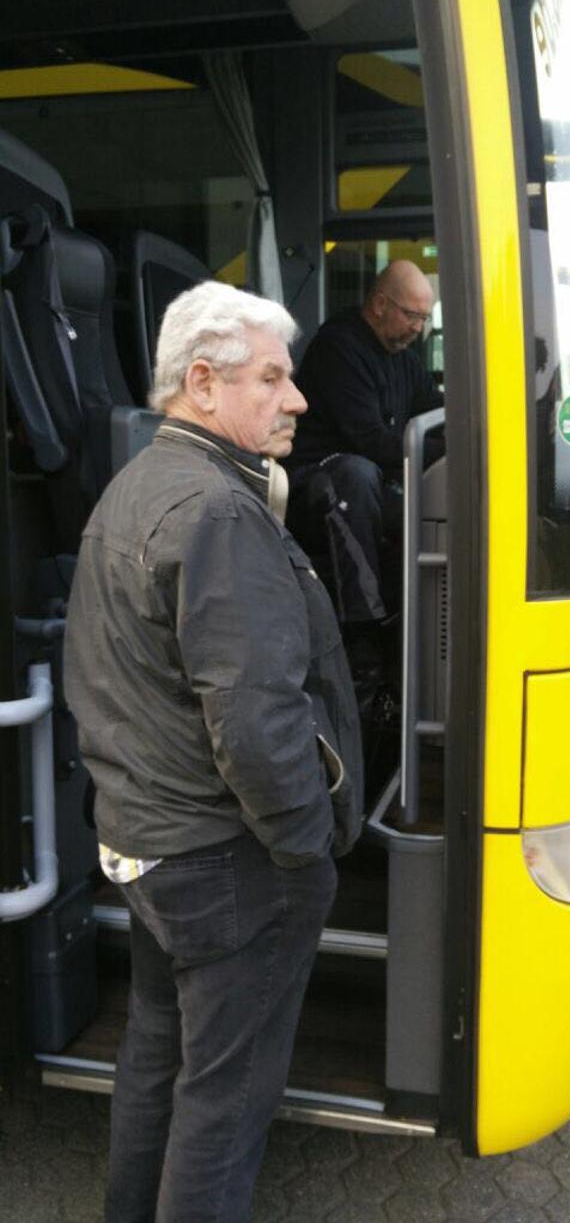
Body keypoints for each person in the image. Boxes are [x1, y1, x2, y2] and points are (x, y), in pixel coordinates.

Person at [63, 280, 363, 1223]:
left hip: (147, 847)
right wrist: (305, 852)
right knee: (225, 1103)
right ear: (203, 382)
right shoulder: (222, 513)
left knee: (158, 1055)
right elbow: (257, 724)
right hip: (223, 864)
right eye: (274, 377)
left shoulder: (137, 484)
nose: (298, 398)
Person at [285, 259, 442, 672]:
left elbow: (432, 411)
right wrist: (438, 448)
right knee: (357, 473)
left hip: (372, 481)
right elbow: (370, 441)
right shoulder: (340, 348)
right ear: (379, 305)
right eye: (412, 315)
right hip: (317, 481)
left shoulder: (404, 356)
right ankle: (363, 633)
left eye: (424, 319)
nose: (418, 328)